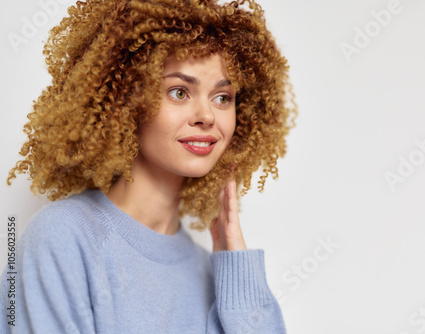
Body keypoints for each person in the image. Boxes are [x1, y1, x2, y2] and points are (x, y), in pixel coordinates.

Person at [1, 0, 296, 332]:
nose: (208, 116)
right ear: (126, 101)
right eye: (179, 92)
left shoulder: (211, 275)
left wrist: (236, 263)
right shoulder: (62, 237)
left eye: (223, 97)